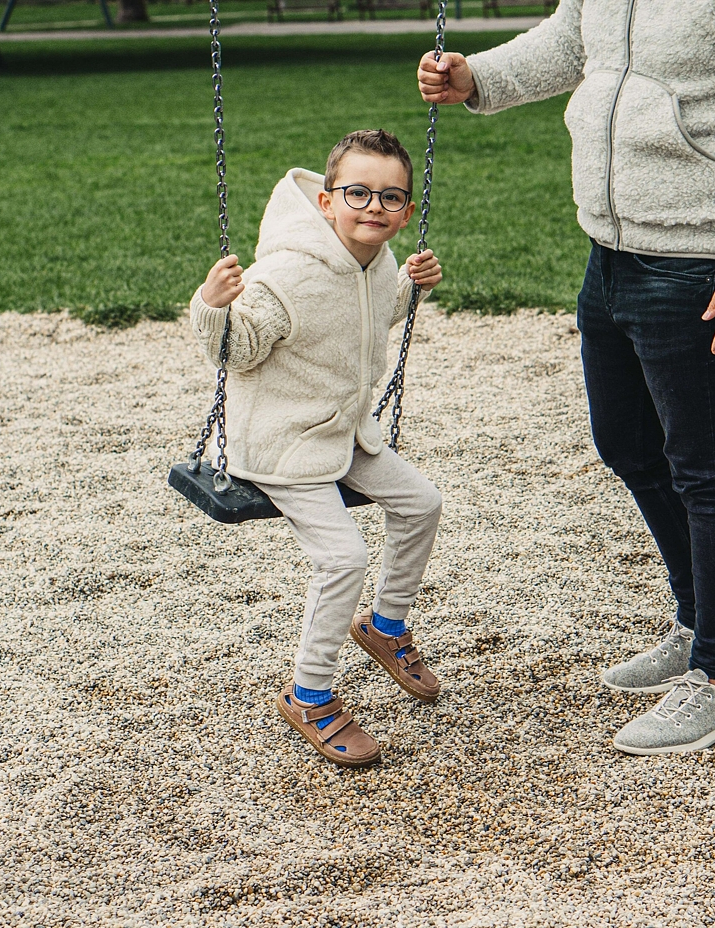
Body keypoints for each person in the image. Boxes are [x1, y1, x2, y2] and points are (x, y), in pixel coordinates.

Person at [418, 0, 715, 754]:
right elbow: (570, 40)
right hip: (608, 249)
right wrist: (478, 78)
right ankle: (705, 625)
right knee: (627, 445)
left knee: (707, 471)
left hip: (700, 262)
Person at [190, 129, 444, 768]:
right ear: (327, 201)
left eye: (390, 197)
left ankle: (384, 627)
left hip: (340, 431)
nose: (374, 207)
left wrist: (414, 290)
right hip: (282, 442)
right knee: (344, 558)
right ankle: (310, 695)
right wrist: (212, 308)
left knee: (421, 503)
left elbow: (368, 319)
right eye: (357, 192)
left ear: (406, 210)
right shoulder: (287, 273)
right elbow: (240, 351)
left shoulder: (377, 261)